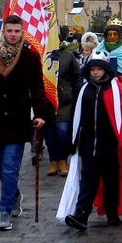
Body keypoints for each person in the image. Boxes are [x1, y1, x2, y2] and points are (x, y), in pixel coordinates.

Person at [0, 15, 49, 231]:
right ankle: (14, 194)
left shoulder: (29, 57)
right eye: (9, 31)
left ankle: (5, 211)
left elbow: (37, 88)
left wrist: (40, 113)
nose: (13, 35)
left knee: (10, 169)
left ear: (22, 32)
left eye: (17, 31)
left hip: (17, 121)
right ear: (3, 31)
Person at [58, 49, 122, 230]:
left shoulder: (117, 90)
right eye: (92, 69)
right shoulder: (84, 91)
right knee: (88, 181)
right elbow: (77, 117)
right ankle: (81, 215)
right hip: (89, 146)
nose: (95, 72)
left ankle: (112, 213)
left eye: (99, 68)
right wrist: (72, 140)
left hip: (110, 147)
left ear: (105, 69)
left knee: (111, 181)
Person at [45, 37, 83, 177]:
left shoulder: (68, 56)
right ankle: (53, 162)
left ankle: (62, 161)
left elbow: (76, 77)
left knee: (62, 131)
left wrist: (77, 96)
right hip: (47, 101)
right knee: (49, 135)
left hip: (65, 101)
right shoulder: (41, 54)